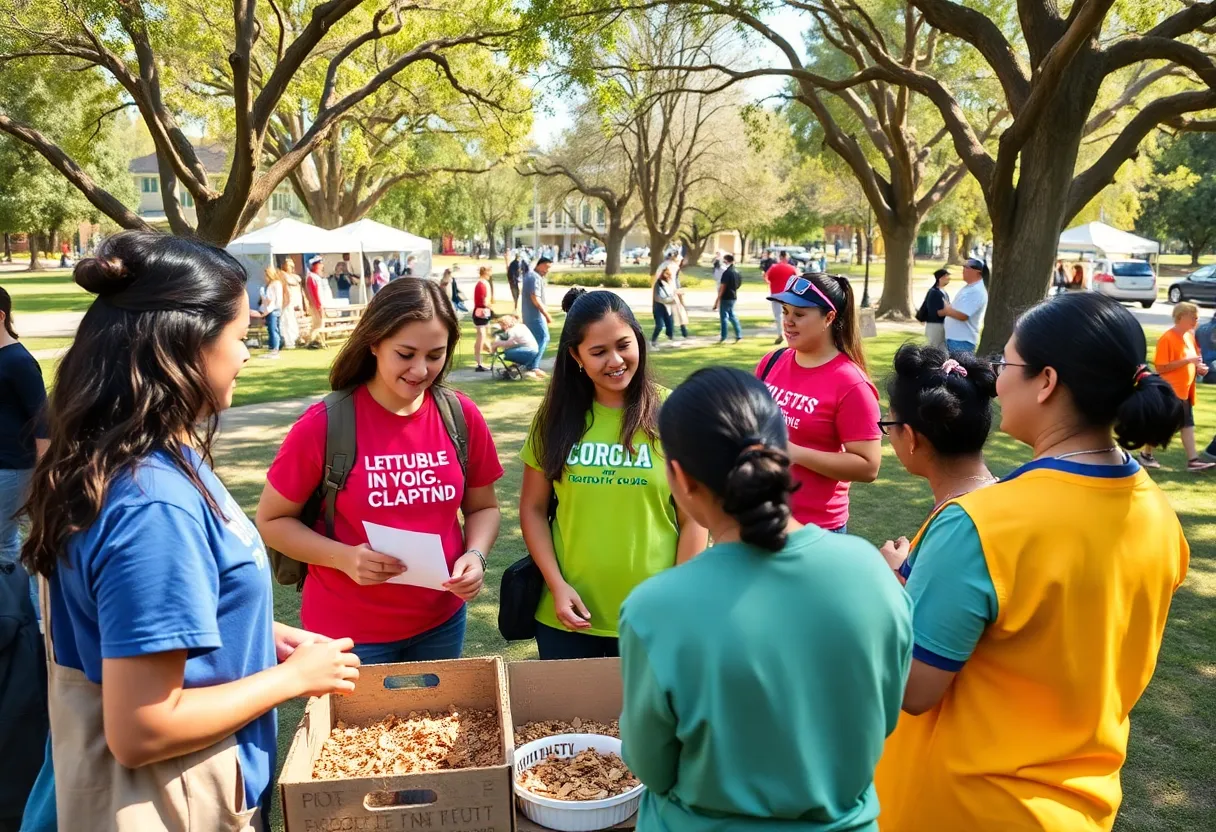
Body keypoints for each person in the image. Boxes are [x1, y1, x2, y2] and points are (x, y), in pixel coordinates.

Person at [20, 232, 360, 830]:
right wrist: (290, 679)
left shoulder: (136, 459)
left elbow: (132, 622)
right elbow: (142, 728)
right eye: (240, 335)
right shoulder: (152, 505)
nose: (246, 354)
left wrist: (256, 633)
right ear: (187, 344)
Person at [874, 292, 1190, 832]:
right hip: (1082, 808)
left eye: (1007, 364)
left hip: (967, 808)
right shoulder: (1160, 516)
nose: (996, 381)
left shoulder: (980, 523)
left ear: (1046, 382)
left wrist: (884, 590)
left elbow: (912, 689)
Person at [619, 367, 912, 831]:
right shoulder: (872, 574)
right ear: (783, 455)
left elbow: (651, 765)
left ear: (679, 478)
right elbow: (884, 718)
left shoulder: (655, 608)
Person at [256, 278, 504, 665]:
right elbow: (271, 521)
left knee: (439, 709)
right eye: (405, 354)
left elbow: (483, 507)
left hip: (441, 621)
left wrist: (476, 554)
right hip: (348, 633)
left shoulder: (460, 415)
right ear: (374, 342)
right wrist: (344, 558)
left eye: (435, 355)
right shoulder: (323, 424)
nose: (421, 369)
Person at [519, 291, 706, 659]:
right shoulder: (554, 418)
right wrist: (556, 586)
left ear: (638, 339)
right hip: (567, 618)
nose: (616, 361)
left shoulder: (675, 413)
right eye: (598, 351)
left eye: (623, 345)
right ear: (576, 357)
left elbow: (696, 519)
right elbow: (533, 509)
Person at [761, 272, 881, 533]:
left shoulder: (851, 383)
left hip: (816, 528)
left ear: (829, 318)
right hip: (761, 515)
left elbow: (868, 466)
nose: (788, 321)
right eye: (785, 311)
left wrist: (794, 453)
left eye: (799, 314)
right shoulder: (772, 361)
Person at [876, 345, 998, 573]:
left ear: (910, 437)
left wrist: (893, 572)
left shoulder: (955, 527)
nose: (889, 434)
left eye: (889, 423)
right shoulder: (998, 496)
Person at [0, 286, 47, 615]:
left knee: (4, 545)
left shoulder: (19, 362)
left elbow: (43, 422)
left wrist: (43, 473)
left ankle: (24, 621)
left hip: (14, 468)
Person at [1138, 302, 1214, 472]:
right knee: (1163, 425)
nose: (1196, 321)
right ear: (1181, 317)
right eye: (1193, 317)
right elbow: (1161, 367)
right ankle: (1146, 455)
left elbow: (1195, 359)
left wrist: (1199, 368)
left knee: (1187, 424)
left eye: (1197, 318)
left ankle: (1193, 461)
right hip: (1170, 391)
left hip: (1185, 391)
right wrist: (1187, 361)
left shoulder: (1189, 337)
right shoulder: (1168, 338)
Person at [941, 257, 988, 353]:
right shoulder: (970, 287)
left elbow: (963, 315)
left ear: (977, 272)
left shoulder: (976, 290)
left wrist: (946, 309)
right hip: (956, 340)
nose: (963, 269)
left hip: (961, 342)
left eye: (967, 267)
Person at [521, 257, 553, 375]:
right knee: (544, 337)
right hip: (535, 315)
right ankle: (533, 366)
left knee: (534, 340)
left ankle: (529, 364)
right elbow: (535, 298)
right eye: (546, 267)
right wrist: (546, 314)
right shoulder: (534, 277)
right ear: (540, 265)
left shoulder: (530, 276)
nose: (547, 270)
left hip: (529, 315)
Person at [764, 252, 798, 345]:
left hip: (775, 295)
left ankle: (780, 334)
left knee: (778, 316)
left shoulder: (773, 267)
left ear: (780, 257)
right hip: (788, 295)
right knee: (789, 315)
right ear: (785, 257)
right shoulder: (792, 268)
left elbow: (766, 278)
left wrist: (772, 282)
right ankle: (790, 334)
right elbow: (797, 279)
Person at [917, 268, 951, 347]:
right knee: (933, 348)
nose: (949, 278)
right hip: (935, 326)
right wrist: (949, 311)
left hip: (941, 325)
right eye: (946, 276)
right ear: (940, 278)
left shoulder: (943, 292)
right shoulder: (934, 292)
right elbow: (934, 312)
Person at [714, 254, 743, 344]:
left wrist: (717, 300)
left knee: (724, 317)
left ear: (726, 261)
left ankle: (723, 336)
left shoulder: (727, 273)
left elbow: (723, 286)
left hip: (725, 296)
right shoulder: (737, 272)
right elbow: (738, 284)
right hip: (733, 296)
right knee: (732, 315)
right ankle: (738, 334)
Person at [257, 267, 285, 359]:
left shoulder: (275, 284)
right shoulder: (270, 284)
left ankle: (275, 349)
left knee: (273, 329)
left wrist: (269, 310)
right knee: (272, 329)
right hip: (271, 309)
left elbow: (274, 299)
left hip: (273, 309)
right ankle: (273, 348)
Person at [472, 265, 495, 372]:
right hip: (481, 312)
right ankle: (479, 362)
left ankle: (481, 359)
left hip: (483, 313)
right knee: (481, 337)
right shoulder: (482, 284)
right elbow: (483, 301)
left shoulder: (482, 283)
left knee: (483, 336)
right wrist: (490, 306)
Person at [305, 255, 330, 345]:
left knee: (319, 324)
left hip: (320, 304)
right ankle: (311, 341)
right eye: (320, 264)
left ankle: (317, 341)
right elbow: (314, 293)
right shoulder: (312, 277)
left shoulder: (316, 277)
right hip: (316, 305)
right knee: (318, 324)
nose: (322, 266)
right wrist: (318, 305)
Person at [651, 266, 676, 346]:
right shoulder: (658, 283)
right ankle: (653, 340)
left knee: (670, 325)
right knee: (660, 325)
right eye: (666, 274)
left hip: (667, 307)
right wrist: (666, 301)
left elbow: (671, 294)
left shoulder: (669, 284)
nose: (668, 276)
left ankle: (671, 340)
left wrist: (672, 299)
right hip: (659, 307)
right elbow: (657, 297)